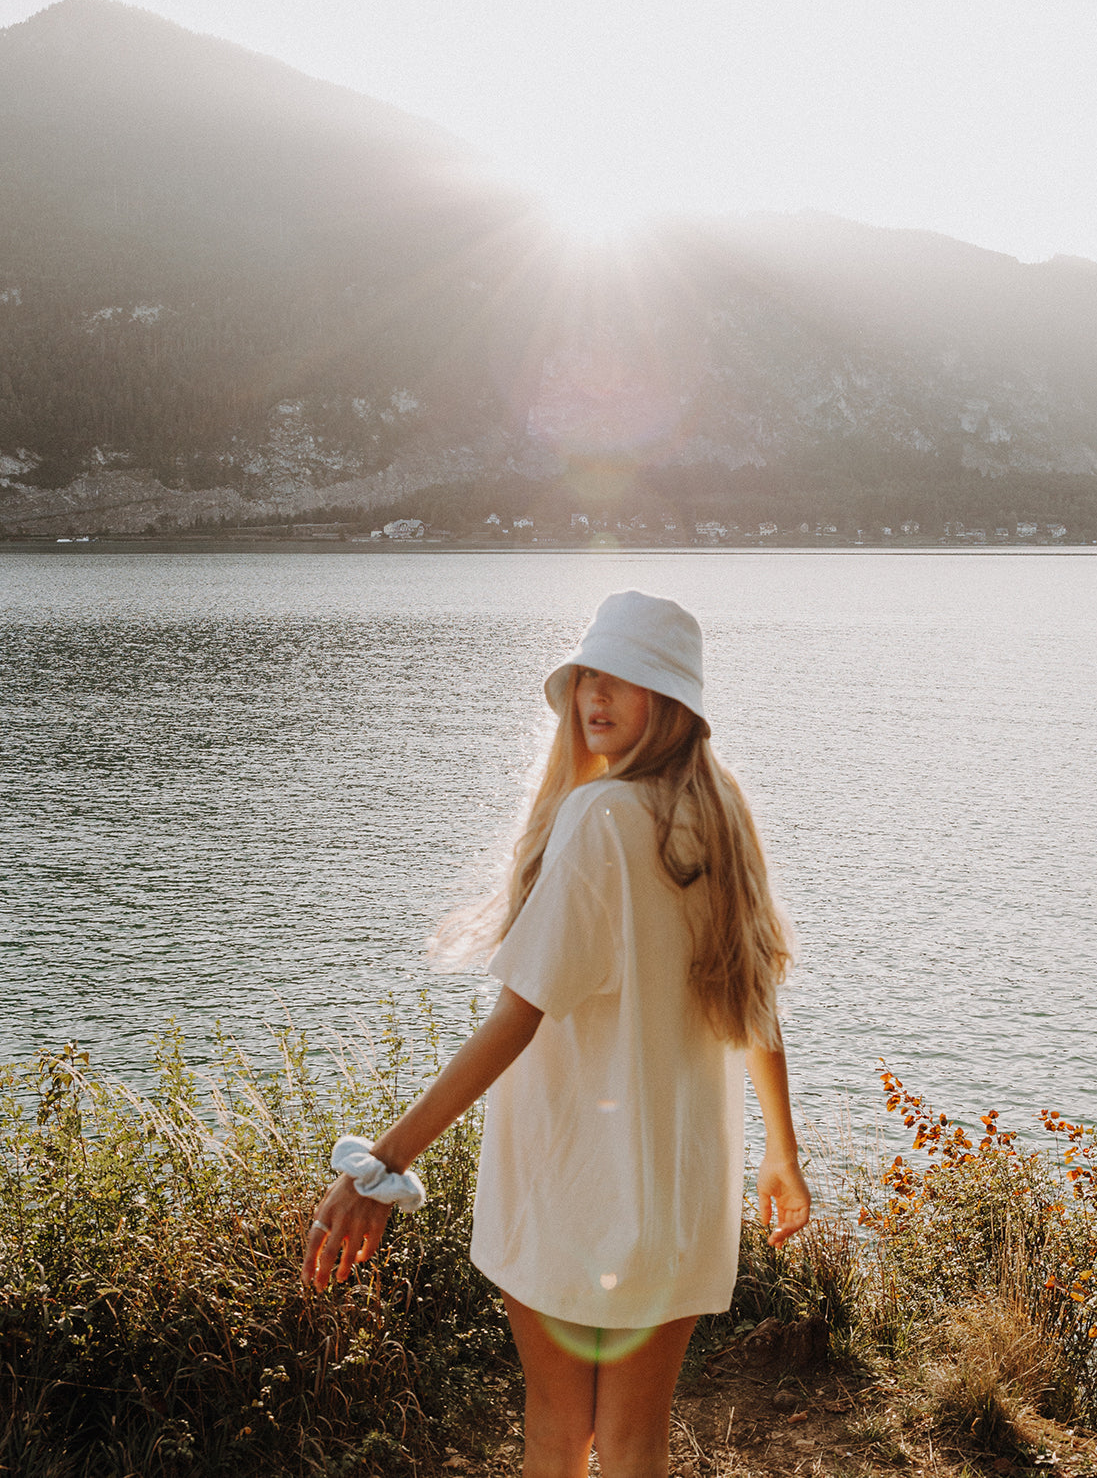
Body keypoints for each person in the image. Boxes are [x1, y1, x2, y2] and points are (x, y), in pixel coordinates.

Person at [302, 590, 812, 1478]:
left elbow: (518, 1018)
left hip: (570, 1186)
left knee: (556, 1433)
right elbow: (755, 992)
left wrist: (379, 1170)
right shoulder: (721, 815)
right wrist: (782, 1151)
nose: (597, 698)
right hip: (681, 1191)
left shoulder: (602, 817)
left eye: (626, 681)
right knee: (635, 1444)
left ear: (672, 703)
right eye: (590, 677)